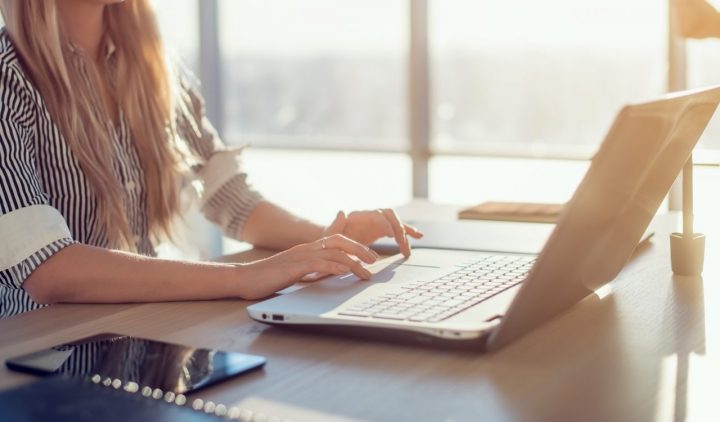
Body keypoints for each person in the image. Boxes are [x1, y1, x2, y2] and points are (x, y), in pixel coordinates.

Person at [0, 0, 422, 318]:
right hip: (36, 352)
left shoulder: (151, 66)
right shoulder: (8, 75)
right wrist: (242, 279)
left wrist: (330, 243)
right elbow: (49, 270)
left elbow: (232, 201)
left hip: (137, 329)